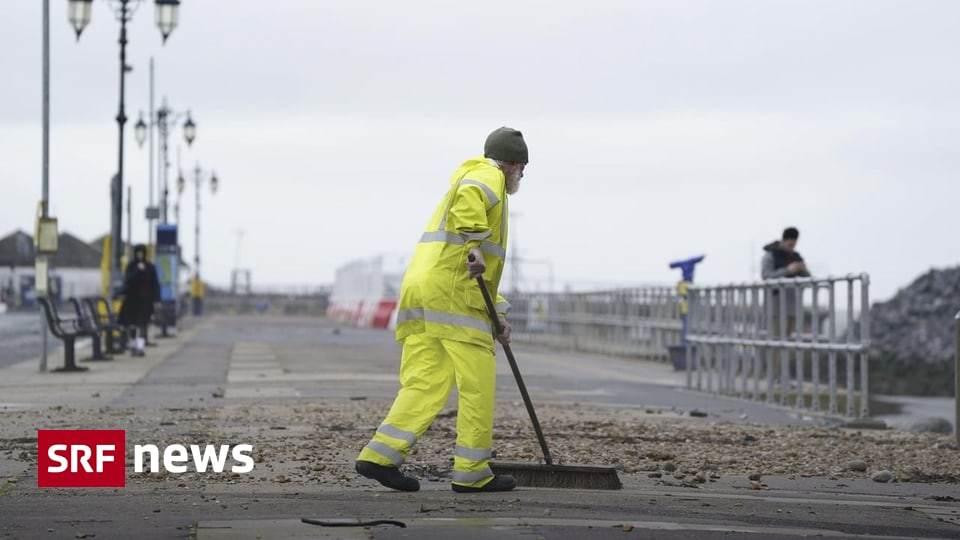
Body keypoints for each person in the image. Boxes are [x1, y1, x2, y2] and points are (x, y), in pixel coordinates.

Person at [355, 127, 528, 493]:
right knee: (477, 386)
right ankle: (472, 472)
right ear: (512, 164)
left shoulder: (472, 178)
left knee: (424, 383)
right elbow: (470, 212)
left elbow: (478, 271)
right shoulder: (487, 174)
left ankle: (379, 457)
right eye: (522, 168)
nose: (521, 176)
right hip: (454, 301)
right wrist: (475, 244)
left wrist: (498, 315)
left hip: (424, 292)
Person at [761, 227, 810, 339]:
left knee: (787, 343)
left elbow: (808, 279)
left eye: (794, 244)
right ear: (783, 240)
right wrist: (788, 270)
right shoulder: (770, 255)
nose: (792, 247)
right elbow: (766, 276)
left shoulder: (795, 256)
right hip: (776, 309)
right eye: (790, 244)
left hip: (793, 309)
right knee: (776, 343)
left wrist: (802, 269)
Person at [117, 244, 161, 357]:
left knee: (142, 324)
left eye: (142, 252)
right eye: (138, 252)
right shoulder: (131, 266)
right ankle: (133, 346)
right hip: (132, 300)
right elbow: (128, 281)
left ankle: (140, 347)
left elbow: (155, 284)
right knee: (131, 324)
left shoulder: (150, 267)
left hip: (145, 300)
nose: (140, 255)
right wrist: (138, 271)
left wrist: (157, 299)